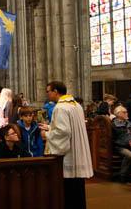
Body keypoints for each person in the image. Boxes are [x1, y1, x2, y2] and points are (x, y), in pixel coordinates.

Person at [39, 81, 93, 209]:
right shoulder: (75, 105)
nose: (47, 94)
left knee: (68, 189)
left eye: (48, 91)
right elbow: (70, 126)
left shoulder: (60, 107)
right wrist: (50, 127)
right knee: (78, 187)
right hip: (78, 151)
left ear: (56, 91)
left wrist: (47, 135)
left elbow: (64, 131)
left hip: (69, 155)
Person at [111, 106, 131, 183]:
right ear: (118, 114)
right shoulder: (113, 124)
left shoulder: (129, 123)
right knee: (130, 156)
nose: (127, 113)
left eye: (126, 112)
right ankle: (122, 176)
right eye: (124, 112)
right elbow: (115, 139)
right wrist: (127, 143)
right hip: (119, 146)